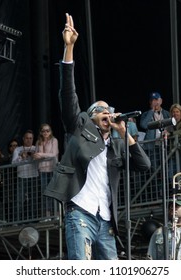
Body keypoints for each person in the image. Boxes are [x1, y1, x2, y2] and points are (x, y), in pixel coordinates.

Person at [44, 13, 151, 260]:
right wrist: (69, 47)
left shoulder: (115, 145)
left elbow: (144, 165)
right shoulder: (80, 125)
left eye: (109, 110)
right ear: (91, 116)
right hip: (80, 211)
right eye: (101, 110)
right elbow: (67, 93)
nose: (108, 112)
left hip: (105, 220)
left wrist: (125, 134)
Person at [12, 130, 39, 221]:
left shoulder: (36, 149)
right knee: (19, 200)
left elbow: (41, 162)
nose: (29, 140)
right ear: (23, 139)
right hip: (22, 176)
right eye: (27, 138)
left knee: (33, 200)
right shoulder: (18, 149)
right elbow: (13, 163)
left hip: (34, 176)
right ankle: (16, 221)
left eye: (31, 138)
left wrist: (34, 156)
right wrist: (21, 157)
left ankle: (33, 220)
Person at [33, 124, 59, 218]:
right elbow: (36, 155)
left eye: (47, 131)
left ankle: (56, 214)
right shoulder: (38, 142)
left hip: (52, 169)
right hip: (42, 170)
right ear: (40, 132)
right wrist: (36, 155)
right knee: (45, 193)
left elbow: (54, 154)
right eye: (43, 131)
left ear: (50, 131)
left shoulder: (54, 140)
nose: (45, 132)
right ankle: (47, 215)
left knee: (53, 191)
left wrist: (41, 154)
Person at [140, 91, 170, 169]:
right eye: (152, 100)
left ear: (161, 101)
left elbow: (172, 126)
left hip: (165, 144)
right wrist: (151, 111)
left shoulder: (167, 113)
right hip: (152, 146)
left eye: (156, 100)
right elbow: (143, 125)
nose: (155, 102)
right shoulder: (146, 114)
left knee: (166, 166)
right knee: (154, 169)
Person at [165, 103, 181, 178]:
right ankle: (175, 190)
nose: (175, 113)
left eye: (177, 111)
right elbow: (166, 133)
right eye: (173, 112)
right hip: (172, 153)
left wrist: (171, 133)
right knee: (171, 176)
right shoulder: (170, 125)